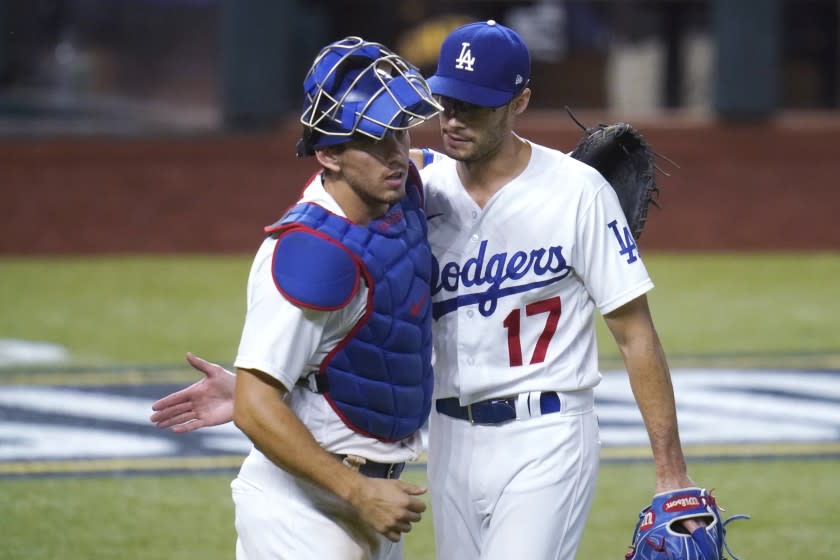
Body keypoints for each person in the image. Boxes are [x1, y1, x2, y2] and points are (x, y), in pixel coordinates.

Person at [152, 21, 703, 560]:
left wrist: (670, 472)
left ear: (519, 103)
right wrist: (267, 389)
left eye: (475, 106)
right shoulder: (409, 193)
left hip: (547, 432)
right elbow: (330, 225)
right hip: (438, 445)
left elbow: (635, 335)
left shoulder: (565, 193)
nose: (454, 120)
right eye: (448, 102)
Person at [181, 36, 442, 560]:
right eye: (375, 138)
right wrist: (359, 492)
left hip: (373, 499)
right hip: (305, 508)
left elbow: (474, 172)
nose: (397, 153)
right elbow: (255, 409)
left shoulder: (399, 193)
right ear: (329, 153)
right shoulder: (312, 254)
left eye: (401, 131)